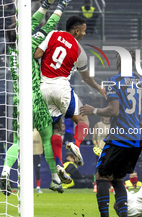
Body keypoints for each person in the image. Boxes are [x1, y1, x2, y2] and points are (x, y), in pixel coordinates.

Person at [0, 0, 74, 196]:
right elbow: (48, 26)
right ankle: (54, 180)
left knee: (17, 140)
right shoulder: (30, 46)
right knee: (47, 136)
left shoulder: (12, 50)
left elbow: (31, 24)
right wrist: (60, 5)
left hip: (18, 100)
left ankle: (5, 173)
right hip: (36, 98)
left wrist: (44, 4)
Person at [80, 50, 142, 217]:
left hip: (120, 137)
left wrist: (94, 110)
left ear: (119, 63)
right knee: (118, 178)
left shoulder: (114, 81)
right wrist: (135, 124)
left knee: (102, 175)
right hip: (137, 139)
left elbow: (113, 111)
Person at [34, 15, 106, 170]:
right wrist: (99, 88)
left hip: (43, 88)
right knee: (83, 119)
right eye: (84, 31)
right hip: (61, 87)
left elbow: (37, 55)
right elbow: (86, 77)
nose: (85, 34)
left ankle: (59, 165)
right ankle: (76, 144)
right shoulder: (79, 51)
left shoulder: (52, 35)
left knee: (57, 128)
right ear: (77, 30)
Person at [92, 117, 111, 193]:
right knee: (98, 167)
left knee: (110, 167)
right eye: (105, 116)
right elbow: (94, 138)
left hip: (110, 150)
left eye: (108, 116)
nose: (106, 118)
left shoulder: (113, 125)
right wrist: (96, 147)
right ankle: (96, 185)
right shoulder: (98, 125)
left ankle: (111, 185)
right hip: (100, 150)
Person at [33, 129, 43, 193]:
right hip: (27, 153)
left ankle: (38, 187)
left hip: (37, 153)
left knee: (37, 170)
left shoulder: (39, 130)